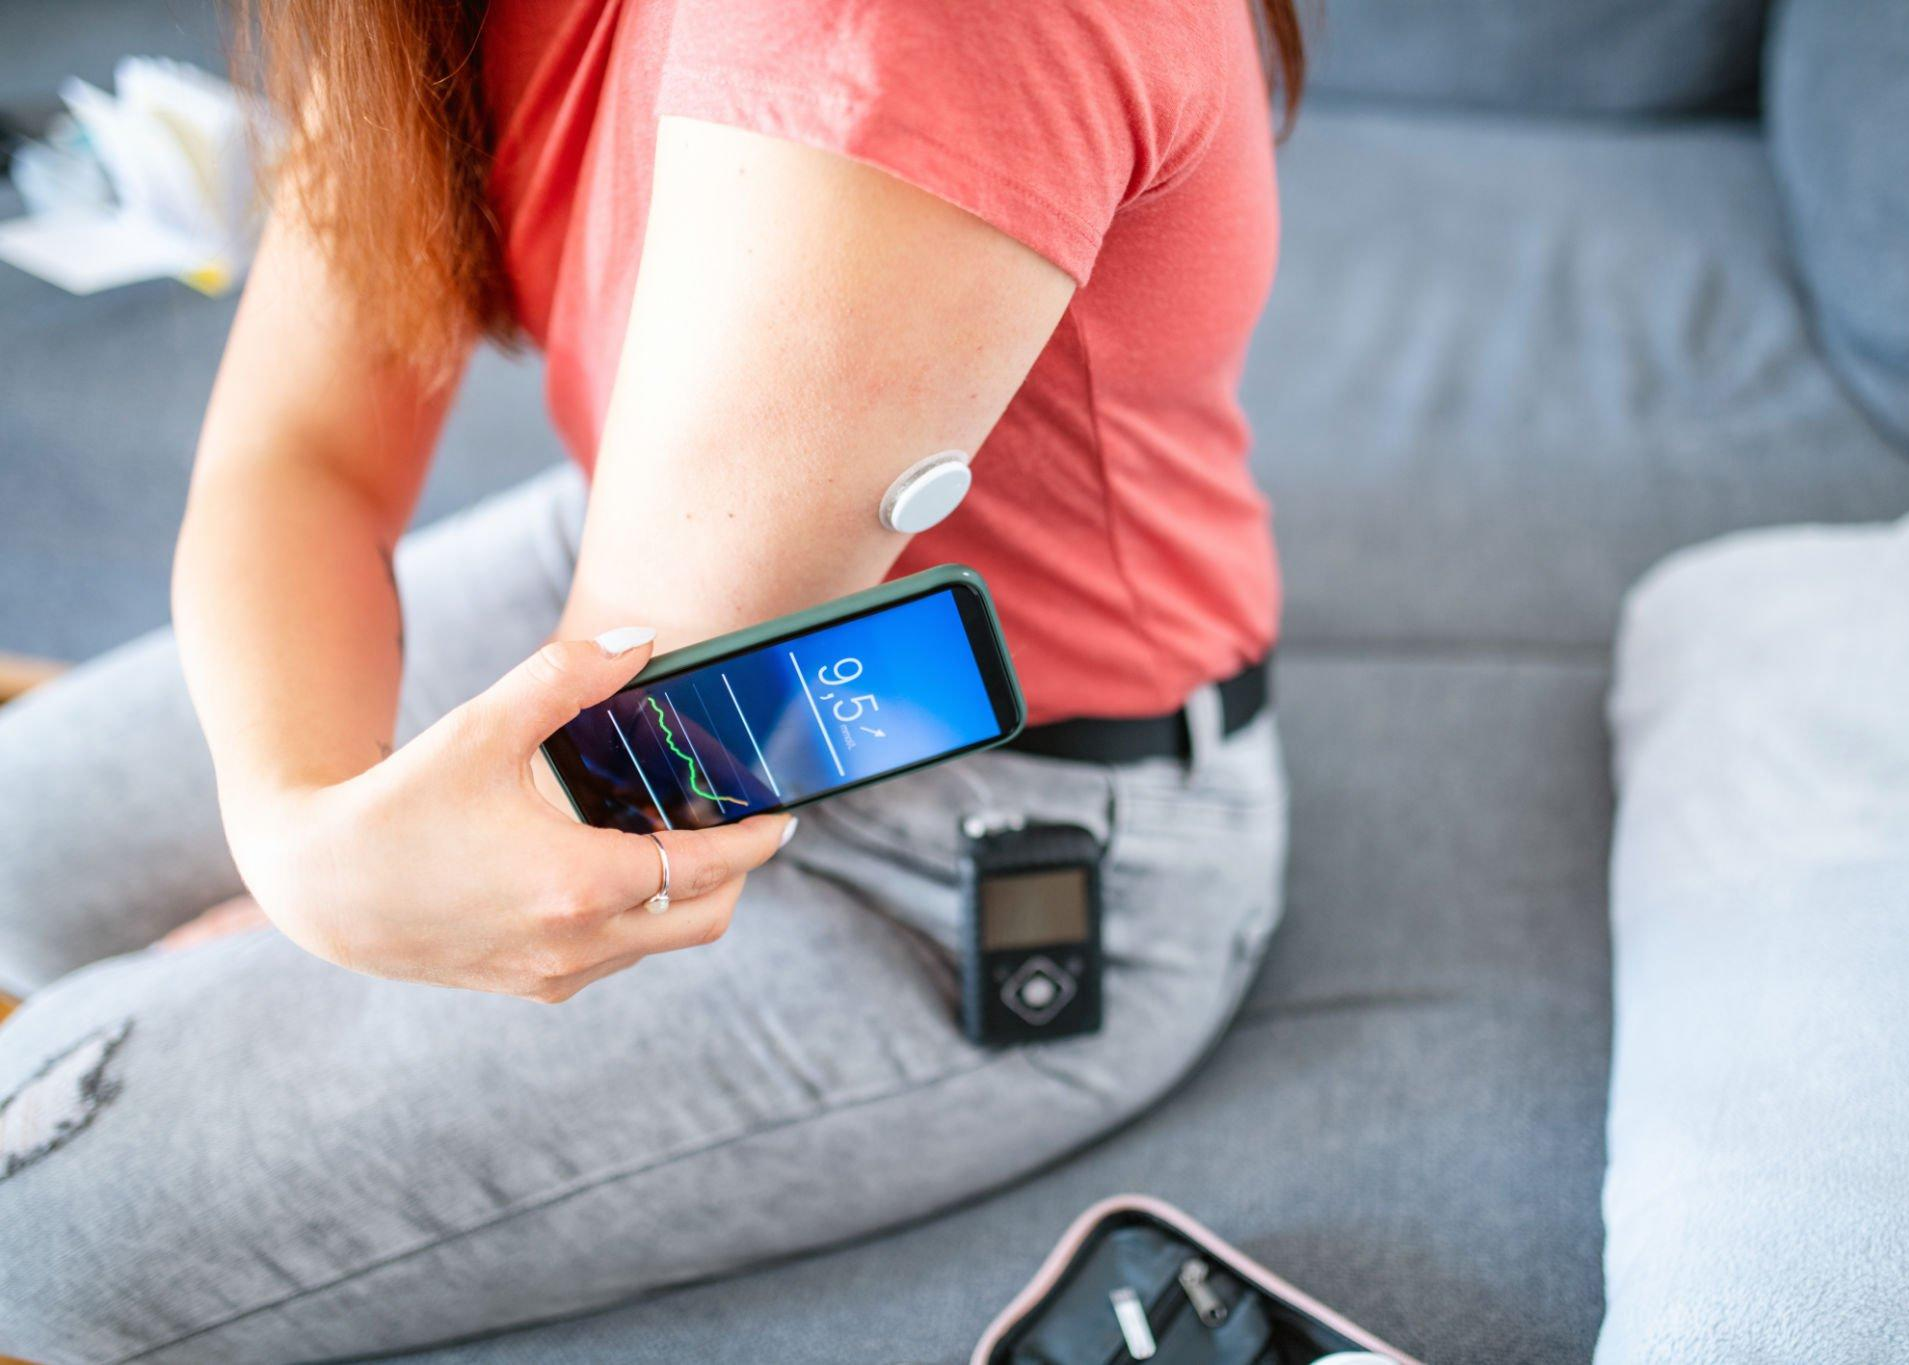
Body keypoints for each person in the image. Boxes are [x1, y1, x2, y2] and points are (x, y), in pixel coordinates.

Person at [0, 0, 1303, 1356]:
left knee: (32, 1225)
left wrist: (325, 903)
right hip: (650, 581)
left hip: (983, 828)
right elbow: (300, 455)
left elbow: (604, 775)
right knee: (23, 852)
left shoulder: (907, 27)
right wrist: (295, 839)